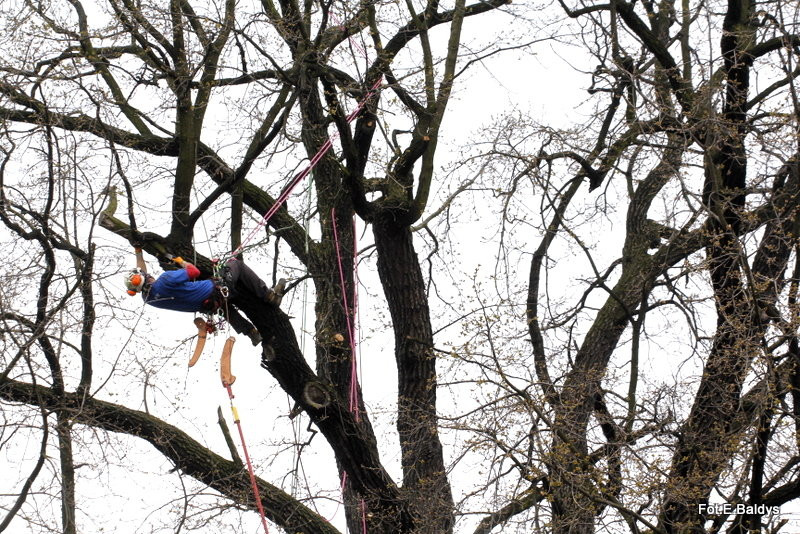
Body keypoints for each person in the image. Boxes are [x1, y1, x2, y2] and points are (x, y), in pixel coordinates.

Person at [124, 246, 285, 347]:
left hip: (208, 305)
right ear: (144, 279)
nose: (149, 274)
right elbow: (194, 272)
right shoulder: (165, 280)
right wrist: (181, 262)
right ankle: (269, 296)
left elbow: (142, 272)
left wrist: (138, 251)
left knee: (224, 308)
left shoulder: (148, 299)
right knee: (236, 264)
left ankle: (250, 332)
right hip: (216, 289)